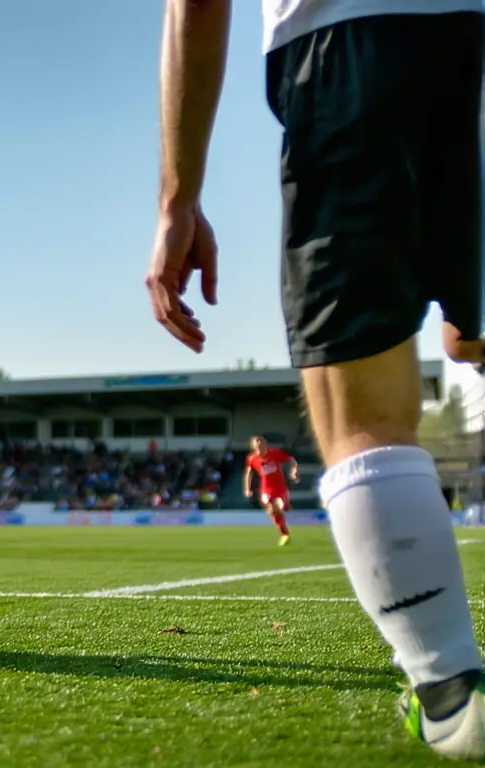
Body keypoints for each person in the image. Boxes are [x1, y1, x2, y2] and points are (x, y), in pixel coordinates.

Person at [145, 0, 485, 756]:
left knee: (365, 418)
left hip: (354, 45)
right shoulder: (260, 457)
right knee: (470, 339)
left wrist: (178, 199)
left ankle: (451, 695)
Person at [243, 435, 299, 546]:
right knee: (272, 508)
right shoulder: (251, 458)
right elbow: (248, 473)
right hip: (266, 489)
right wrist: (247, 488)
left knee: (277, 508)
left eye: (261, 443)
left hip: (280, 488)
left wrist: (294, 471)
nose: (259, 445)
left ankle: (285, 507)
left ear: (265, 444)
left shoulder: (275, 453)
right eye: (256, 444)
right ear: (253, 446)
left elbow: (291, 460)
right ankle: (284, 534)